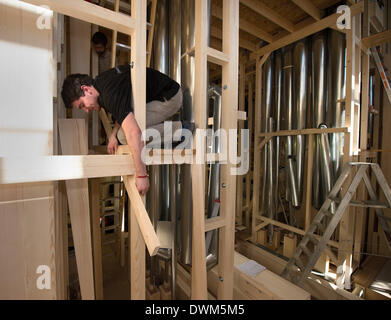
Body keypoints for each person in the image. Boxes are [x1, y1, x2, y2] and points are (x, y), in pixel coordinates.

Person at [61, 64, 184, 195]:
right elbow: (122, 111)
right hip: (160, 96)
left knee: (125, 137)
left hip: (170, 98)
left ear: (86, 89)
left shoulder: (109, 94)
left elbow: (133, 133)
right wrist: (112, 135)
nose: (86, 110)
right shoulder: (101, 85)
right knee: (120, 135)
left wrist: (142, 175)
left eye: (82, 105)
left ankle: (181, 130)